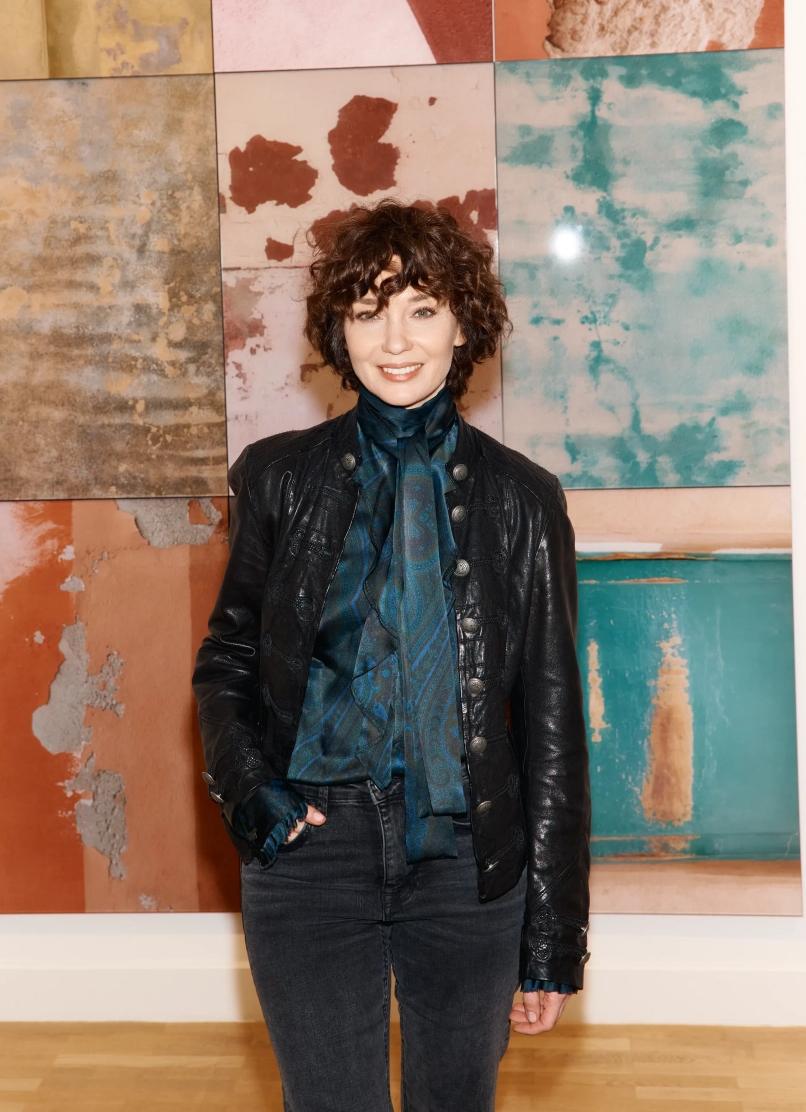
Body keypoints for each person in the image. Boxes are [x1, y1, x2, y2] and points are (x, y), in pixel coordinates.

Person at [193, 199, 591, 1112]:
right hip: (308, 849)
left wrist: (552, 937)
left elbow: (553, 727)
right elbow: (227, 659)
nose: (396, 339)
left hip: (467, 856)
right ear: (340, 329)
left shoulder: (525, 500)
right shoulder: (276, 477)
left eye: (422, 307)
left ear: (463, 323)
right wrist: (252, 791)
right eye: (369, 311)